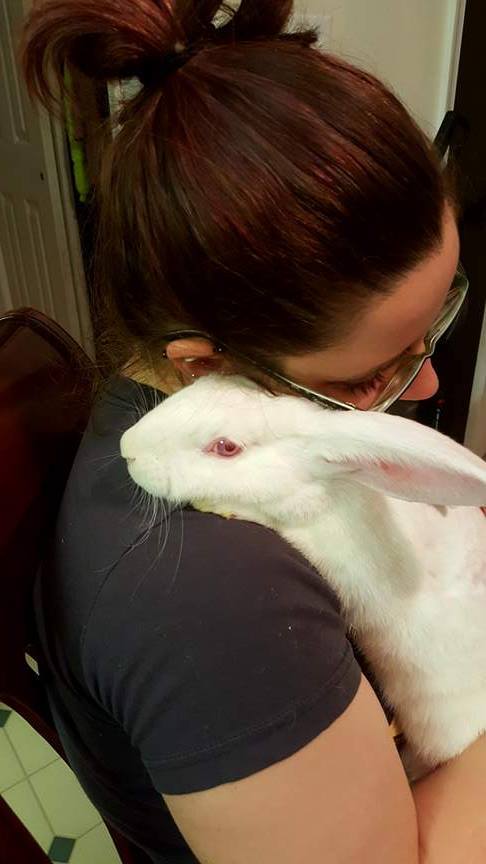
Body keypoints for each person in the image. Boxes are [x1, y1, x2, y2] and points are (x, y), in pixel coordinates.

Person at [21, 2, 486, 862]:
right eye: (369, 375)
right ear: (206, 365)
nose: (429, 385)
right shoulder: (209, 605)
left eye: (434, 332)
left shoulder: (150, 402)